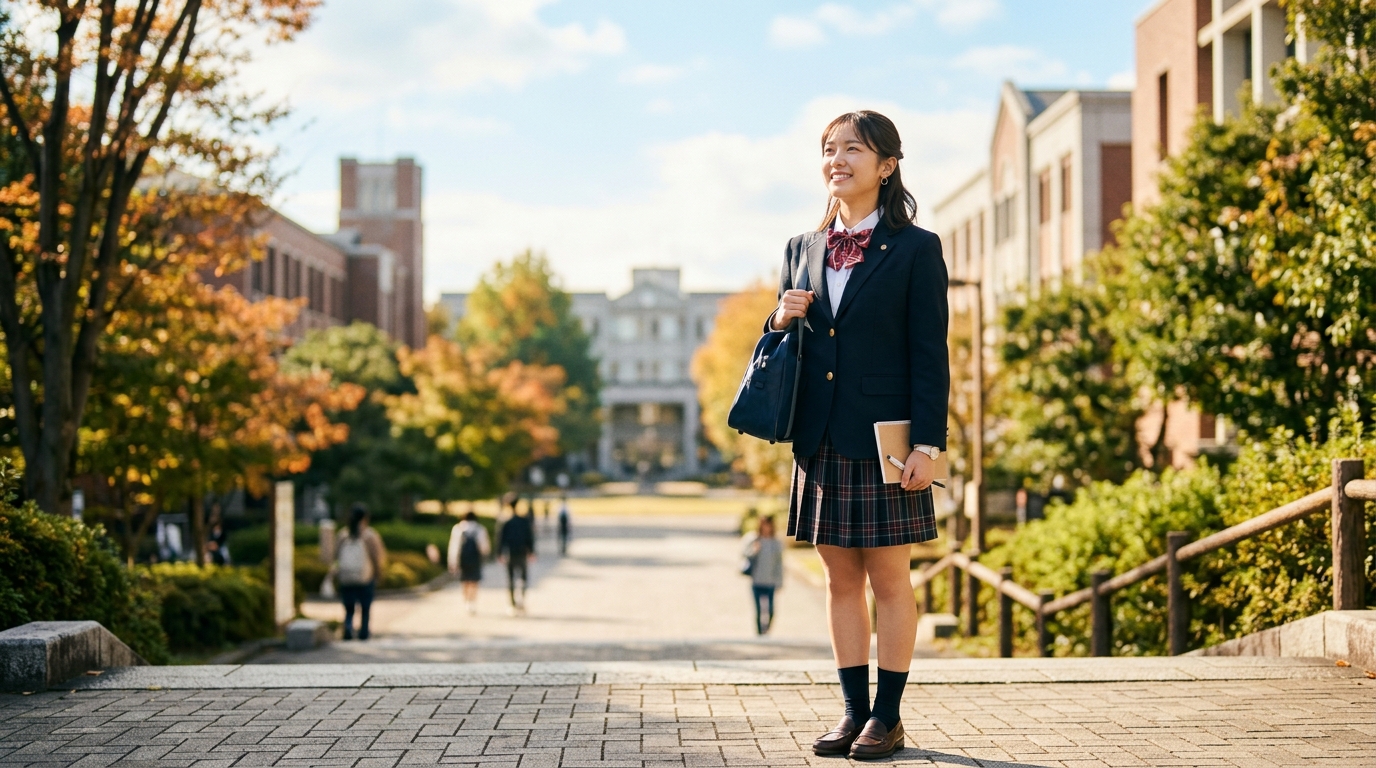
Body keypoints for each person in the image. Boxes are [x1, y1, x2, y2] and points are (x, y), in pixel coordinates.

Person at [768, 111, 948, 760]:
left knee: (891, 581)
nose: (837, 159)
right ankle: (852, 712)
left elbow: (930, 353)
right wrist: (778, 316)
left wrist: (928, 444)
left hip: (886, 442)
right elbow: (786, 344)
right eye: (828, 148)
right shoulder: (800, 248)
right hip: (818, 436)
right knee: (839, 581)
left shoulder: (917, 248)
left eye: (852, 148)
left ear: (887, 165)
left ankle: (887, 717)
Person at [335, 503, 386, 640]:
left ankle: (348, 629)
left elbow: (335, 556)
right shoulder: (369, 535)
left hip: (346, 577)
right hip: (365, 577)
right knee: (365, 607)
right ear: (365, 518)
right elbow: (377, 557)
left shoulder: (343, 535)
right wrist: (378, 573)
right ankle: (364, 631)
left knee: (349, 608)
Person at [741, 515, 784, 634]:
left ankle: (767, 629)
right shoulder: (753, 539)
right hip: (757, 580)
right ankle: (759, 632)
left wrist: (779, 582)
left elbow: (779, 564)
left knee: (770, 610)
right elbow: (744, 554)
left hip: (770, 581)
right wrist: (754, 550)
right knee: (758, 610)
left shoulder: (776, 543)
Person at [448, 511, 491, 615]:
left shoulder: (458, 529)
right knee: (474, 581)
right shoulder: (479, 529)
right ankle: (472, 602)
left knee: (465, 581)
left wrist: (452, 562)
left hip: (463, 560)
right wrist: (485, 556)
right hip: (475, 559)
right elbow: (484, 547)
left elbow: (454, 547)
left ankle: (467, 600)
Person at [498, 498, 536, 614]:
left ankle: (512, 604)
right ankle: (522, 600)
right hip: (522, 552)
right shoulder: (524, 521)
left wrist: (499, 553)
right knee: (523, 578)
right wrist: (531, 551)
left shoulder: (506, 521)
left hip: (510, 553)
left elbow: (501, 539)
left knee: (511, 579)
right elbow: (529, 537)